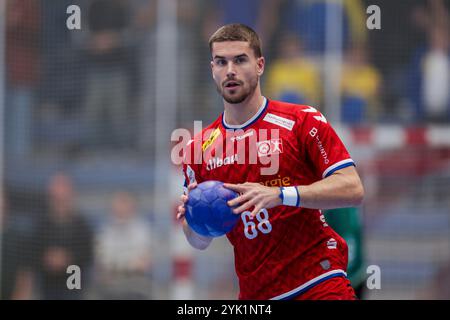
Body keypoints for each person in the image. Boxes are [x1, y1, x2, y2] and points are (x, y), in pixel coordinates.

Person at [176, 24, 364, 300]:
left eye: (240, 60)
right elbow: (199, 242)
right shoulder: (197, 149)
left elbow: (352, 189)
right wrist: (195, 220)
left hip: (318, 280)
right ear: (212, 69)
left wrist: (280, 195)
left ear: (260, 65)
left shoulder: (301, 120)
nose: (230, 70)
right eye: (221, 62)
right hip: (256, 294)